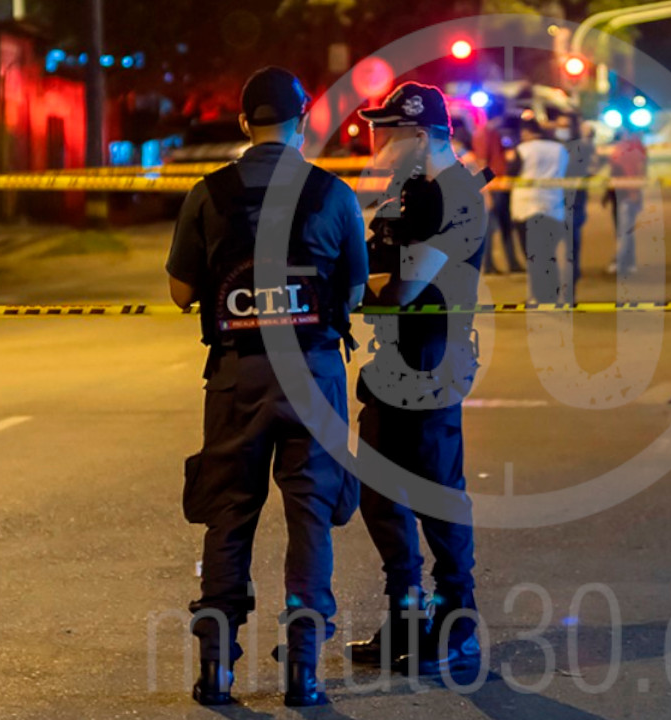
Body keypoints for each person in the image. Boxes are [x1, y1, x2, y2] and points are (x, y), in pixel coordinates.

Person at [166, 66, 368, 708]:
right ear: (303, 120)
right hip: (313, 374)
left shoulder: (209, 194)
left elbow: (180, 292)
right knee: (311, 516)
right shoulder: (334, 194)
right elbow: (354, 293)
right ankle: (303, 669)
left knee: (228, 513)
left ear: (242, 122)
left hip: (237, 377)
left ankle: (216, 667)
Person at [346, 82, 491, 677]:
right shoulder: (411, 193)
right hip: (394, 359)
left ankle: (458, 619)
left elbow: (402, 288)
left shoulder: (455, 197)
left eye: (388, 133)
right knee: (380, 493)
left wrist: (349, 286)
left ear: (422, 135)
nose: (377, 144)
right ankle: (407, 614)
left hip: (433, 358)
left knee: (435, 492)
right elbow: (376, 267)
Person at [509, 119, 569, 303]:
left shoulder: (523, 149)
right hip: (554, 206)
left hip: (526, 207)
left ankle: (538, 296)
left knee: (533, 255)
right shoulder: (560, 149)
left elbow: (511, 173)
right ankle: (552, 294)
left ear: (527, 132)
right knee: (548, 253)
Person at [556, 115, 597, 301]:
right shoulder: (558, 147)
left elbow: (591, 170)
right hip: (558, 204)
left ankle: (568, 291)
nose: (561, 129)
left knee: (569, 249)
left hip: (571, 204)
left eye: (564, 125)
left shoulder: (579, 147)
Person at [475, 116, 521, 273]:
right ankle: (489, 265)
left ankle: (511, 263)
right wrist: (486, 192)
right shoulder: (484, 134)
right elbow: (482, 162)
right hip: (494, 188)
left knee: (505, 226)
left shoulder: (492, 133)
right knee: (491, 228)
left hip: (500, 186)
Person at [608, 126, 647, 277]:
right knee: (627, 231)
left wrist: (634, 192)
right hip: (622, 194)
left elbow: (637, 171)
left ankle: (619, 262)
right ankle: (630, 262)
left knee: (624, 232)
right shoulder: (630, 148)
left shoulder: (630, 149)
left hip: (626, 195)